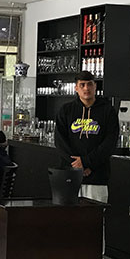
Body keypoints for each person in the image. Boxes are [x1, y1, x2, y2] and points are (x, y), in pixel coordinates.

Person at [54, 70, 119, 203]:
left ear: (95, 86)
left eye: (89, 84)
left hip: (97, 177)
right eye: (82, 85)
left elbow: (110, 142)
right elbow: (60, 141)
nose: (86, 88)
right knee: (68, 214)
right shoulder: (66, 110)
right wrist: (77, 165)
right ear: (76, 88)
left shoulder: (108, 110)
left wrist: (86, 162)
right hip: (70, 175)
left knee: (95, 214)